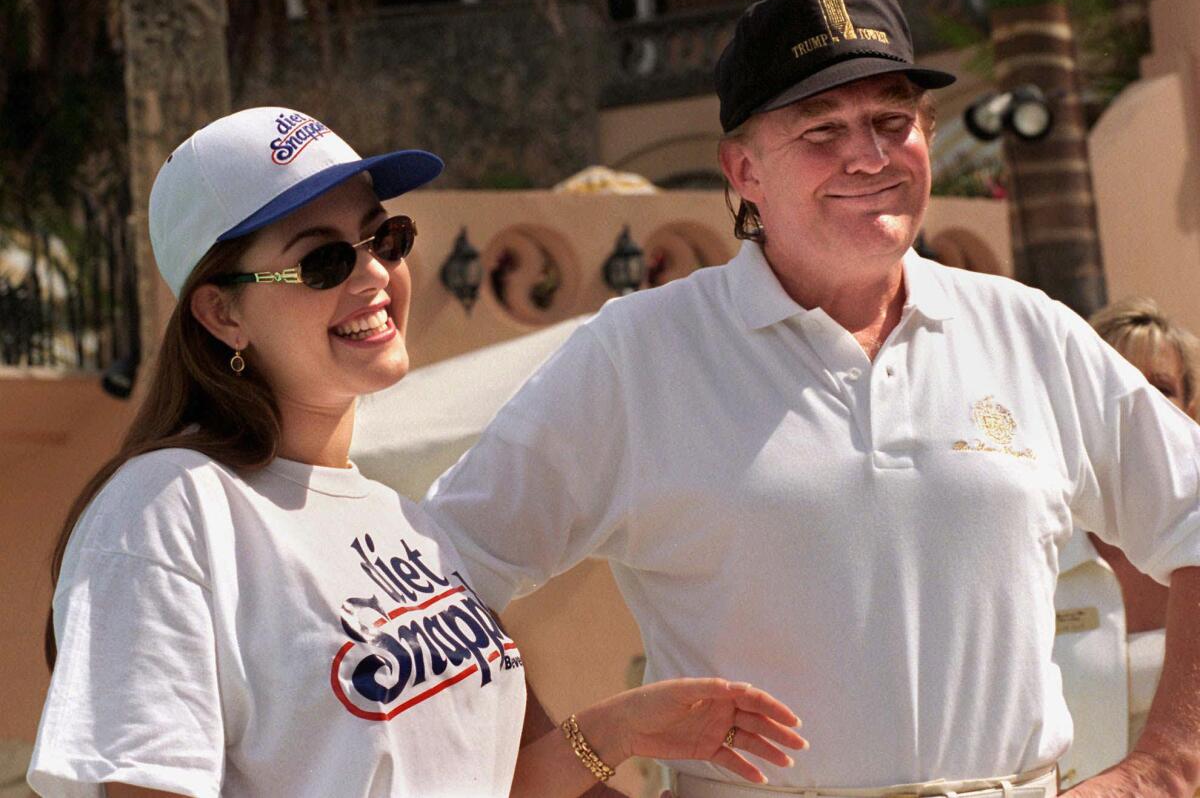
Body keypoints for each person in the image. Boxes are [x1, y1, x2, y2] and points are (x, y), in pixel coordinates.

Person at [420, 0, 1200, 798]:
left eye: (891, 121)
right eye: (821, 129)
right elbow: (435, 577)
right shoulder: (638, 355)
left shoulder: (1028, 329)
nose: (867, 155)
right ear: (743, 170)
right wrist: (576, 772)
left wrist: (1166, 767)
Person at [26, 107, 808, 798]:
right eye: (323, 260)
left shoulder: (404, 523)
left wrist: (619, 730)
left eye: (384, 237)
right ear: (222, 312)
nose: (373, 273)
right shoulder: (167, 510)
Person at [1053, 297, 1200, 788]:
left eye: (1161, 388)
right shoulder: (1034, 551)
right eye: (1120, 387)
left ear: (1190, 409)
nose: (1144, 408)